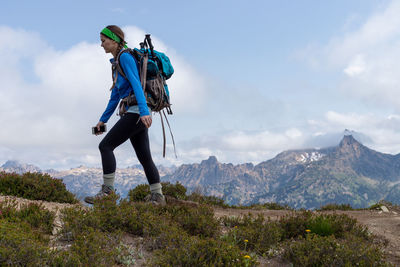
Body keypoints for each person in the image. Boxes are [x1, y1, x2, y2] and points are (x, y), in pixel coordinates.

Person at [84, 25, 165, 205]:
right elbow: (115, 96)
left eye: (103, 41)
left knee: (105, 146)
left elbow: (137, 83)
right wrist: (101, 121)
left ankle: (107, 194)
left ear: (114, 40)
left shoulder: (125, 57)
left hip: (136, 113)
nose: (101, 45)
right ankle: (158, 196)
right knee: (145, 158)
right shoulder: (116, 63)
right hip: (135, 113)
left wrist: (144, 111)